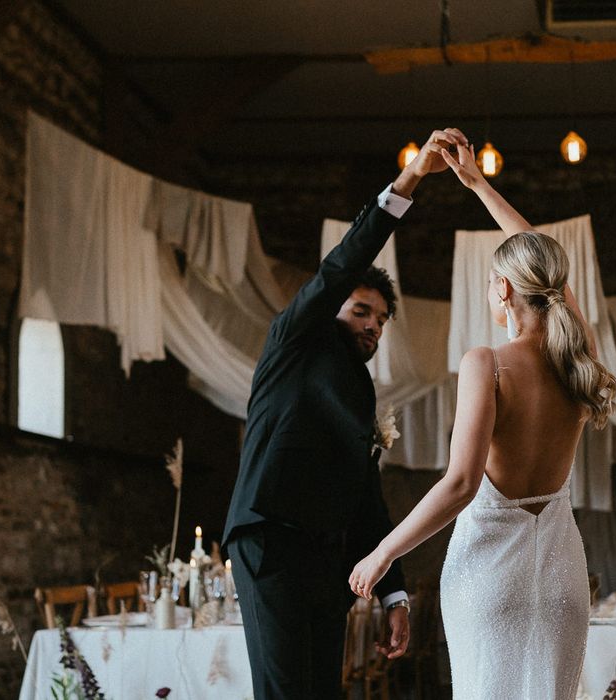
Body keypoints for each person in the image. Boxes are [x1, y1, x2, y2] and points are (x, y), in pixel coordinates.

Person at [349, 139, 616, 699]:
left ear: (502, 289)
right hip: (563, 581)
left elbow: (461, 484)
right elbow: (548, 268)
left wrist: (383, 552)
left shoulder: (487, 364)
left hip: (491, 579)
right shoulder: (577, 355)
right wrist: (476, 184)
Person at [222, 128, 469, 700]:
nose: (373, 327)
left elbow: (365, 496)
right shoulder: (295, 342)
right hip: (269, 540)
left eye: (382, 321)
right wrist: (409, 181)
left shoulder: (359, 392)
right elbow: (342, 265)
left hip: (327, 559)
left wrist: (394, 594)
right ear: (333, 307)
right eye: (362, 311)